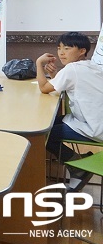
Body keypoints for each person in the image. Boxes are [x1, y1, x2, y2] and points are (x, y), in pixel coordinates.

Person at [36, 32, 103, 191]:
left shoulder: (72, 69)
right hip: (94, 121)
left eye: (67, 48)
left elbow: (45, 88)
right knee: (52, 122)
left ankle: (78, 168)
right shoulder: (92, 66)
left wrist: (39, 63)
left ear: (82, 51)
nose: (61, 52)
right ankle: (78, 163)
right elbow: (73, 87)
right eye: (59, 48)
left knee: (43, 133)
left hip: (94, 128)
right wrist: (55, 75)